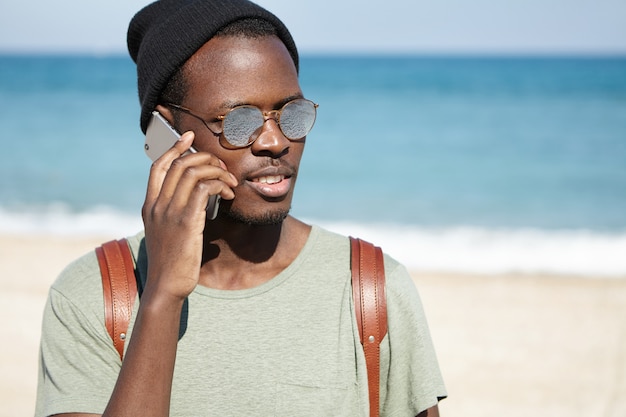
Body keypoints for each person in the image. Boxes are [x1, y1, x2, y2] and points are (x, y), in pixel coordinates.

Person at [35, 0, 447, 416]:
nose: (275, 141)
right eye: (239, 120)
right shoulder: (94, 296)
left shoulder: (371, 289)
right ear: (166, 132)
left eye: (291, 113)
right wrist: (161, 294)